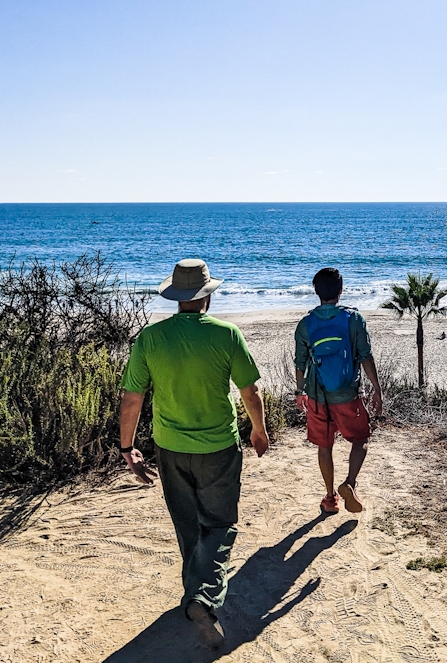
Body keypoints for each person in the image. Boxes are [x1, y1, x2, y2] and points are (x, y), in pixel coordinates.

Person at [118, 258, 269, 650]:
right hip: (218, 447)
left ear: (176, 297)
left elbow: (132, 397)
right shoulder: (226, 334)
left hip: (170, 448)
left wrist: (128, 447)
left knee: (188, 524)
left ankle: (195, 593)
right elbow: (250, 392)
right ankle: (203, 598)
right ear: (207, 295)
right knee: (219, 525)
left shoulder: (151, 338)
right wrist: (259, 429)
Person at [295, 267, 383, 515]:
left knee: (325, 445)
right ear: (341, 291)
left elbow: (300, 363)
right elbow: (366, 356)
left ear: (316, 292)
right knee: (361, 438)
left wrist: (299, 391)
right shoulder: (354, 319)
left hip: (317, 395)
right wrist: (376, 389)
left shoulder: (306, 324)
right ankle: (350, 483)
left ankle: (330, 498)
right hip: (346, 394)